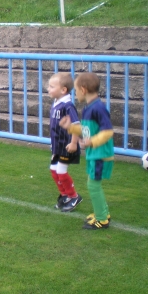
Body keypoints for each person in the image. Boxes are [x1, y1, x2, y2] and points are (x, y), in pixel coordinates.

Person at [60, 72, 114, 230]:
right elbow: (86, 130)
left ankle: (102, 219)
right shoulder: (89, 108)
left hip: (100, 155)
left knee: (93, 185)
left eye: (76, 90)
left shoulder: (98, 108)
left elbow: (107, 132)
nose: (75, 94)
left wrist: (92, 141)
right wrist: (70, 127)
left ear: (83, 90)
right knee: (93, 185)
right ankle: (103, 213)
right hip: (94, 154)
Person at [47, 72, 82, 212]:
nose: (48, 89)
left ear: (63, 90)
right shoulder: (57, 103)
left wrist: (73, 143)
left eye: (52, 87)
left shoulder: (68, 106)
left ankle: (74, 196)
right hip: (58, 147)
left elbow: (76, 125)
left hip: (67, 146)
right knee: (53, 170)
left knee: (61, 171)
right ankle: (65, 195)